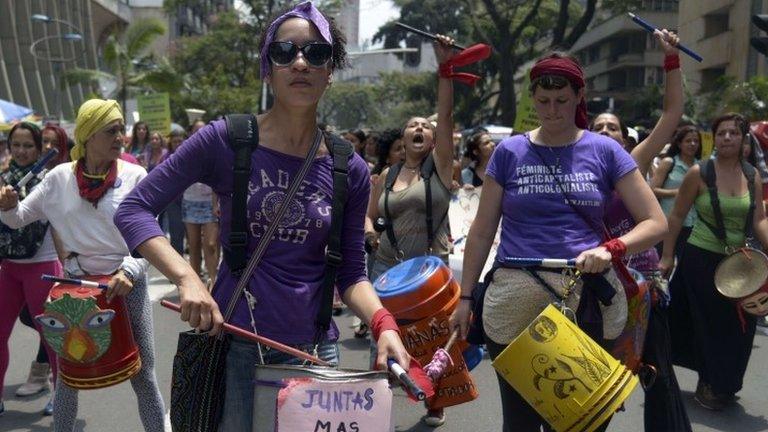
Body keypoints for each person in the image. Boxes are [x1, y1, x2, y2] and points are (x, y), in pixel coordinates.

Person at [113, 3, 410, 431]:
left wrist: (384, 324)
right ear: (267, 68)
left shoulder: (351, 169)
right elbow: (135, 208)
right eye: (285, 52)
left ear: (331, 70)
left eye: (317, 53)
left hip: (315, 353)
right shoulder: (227, 140)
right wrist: (187, 277)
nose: (301, 62)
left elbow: (351, 271)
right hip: (238, 352)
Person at [450, 52, 667, 432]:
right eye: (544, 101)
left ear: (579, 96)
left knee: (583, 420)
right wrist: (465, 298)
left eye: (562, 101)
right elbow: (483, 230)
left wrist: (610, 249)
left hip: (585, 301)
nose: (552, 110)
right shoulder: (509, 152)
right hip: (513, 298)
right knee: (519, 422)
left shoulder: (605, 151)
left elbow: (656, 222)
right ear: (533, 97)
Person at [0, 99, 165, 431]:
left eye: (122, 130)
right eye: (112, 131)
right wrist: (7, 205)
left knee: (143, 373)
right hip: (76, 288)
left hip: (126, 284)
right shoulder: (58, 179)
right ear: (88, 135)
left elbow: (155, 236)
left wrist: (130, 270)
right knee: (69, 376)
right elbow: (17, 220)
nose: (121, 137)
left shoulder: (136, 175)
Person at [590, 29, 692, 432]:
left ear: (625, 138)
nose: (604, 132)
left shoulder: (631, 163)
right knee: (596, 375)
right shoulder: (573, 174)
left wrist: (671, 60)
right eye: (597, 126)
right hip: (597, 289)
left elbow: (671, 116)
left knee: (657, 373)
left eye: (612, 127)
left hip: (644, 288)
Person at [364, 35, 457, 427]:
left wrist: (445, 69)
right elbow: (368, 216)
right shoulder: (386, 175)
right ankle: (373, 405)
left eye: (425, 126)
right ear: (402, 140)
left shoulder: (440, 170)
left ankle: (433, 400)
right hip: (385, 266)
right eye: (411, 126)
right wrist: (369, 232)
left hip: (428, 271)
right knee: (385, 337)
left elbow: (447, 115)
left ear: (433, 140)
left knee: (429, 338)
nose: (419, 128)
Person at [660, 112, 768, 411]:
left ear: (744, 138)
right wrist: (667, 256)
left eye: (734, 133)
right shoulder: (700, 172)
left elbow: (759, 220)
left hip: (742, 265)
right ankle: (708, 383)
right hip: (701, 260)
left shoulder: (752, 175)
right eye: (721, 133)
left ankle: (726, 383)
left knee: (742, 328)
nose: (728, 138)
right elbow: (677, 216)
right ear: (714, 138)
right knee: (709, 326)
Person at [0, 123, 63, 417]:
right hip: (9, 268)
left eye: (28, 146)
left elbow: (32, 221)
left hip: (44, 266)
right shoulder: (3, 179)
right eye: (16, 145)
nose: (22, 151)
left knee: (52, 337)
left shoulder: (51, 180)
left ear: (39, 149)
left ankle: (62, 396)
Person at [651, 125, 701, 257]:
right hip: (667, 223)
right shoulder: (668, 162)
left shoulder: (701, 166)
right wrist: (677, 193)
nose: (692, 144)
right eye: (688, 141)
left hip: (693, 225)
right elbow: (652, 190)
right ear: (679, 143)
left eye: (696, 141)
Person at [181, 120, 220, 286]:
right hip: (190, 201)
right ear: (191, 132)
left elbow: (219, 177)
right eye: (196, 130)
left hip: (209, 202)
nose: (200, 133)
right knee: (194, 245)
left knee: (211, 244)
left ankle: (213, 281)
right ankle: (196, 283)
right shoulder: (186, 149)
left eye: (203, 130)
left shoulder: (215, 149)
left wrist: (216, 202)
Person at [164, 130, 186, 255]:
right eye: (175, 142)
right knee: (176, 235)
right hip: (173, 201)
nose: (178, 144)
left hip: (189, 200)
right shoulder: (166, 157)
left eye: (180, 141)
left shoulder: (191, 154)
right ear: (170, 143)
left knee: (192, 237)